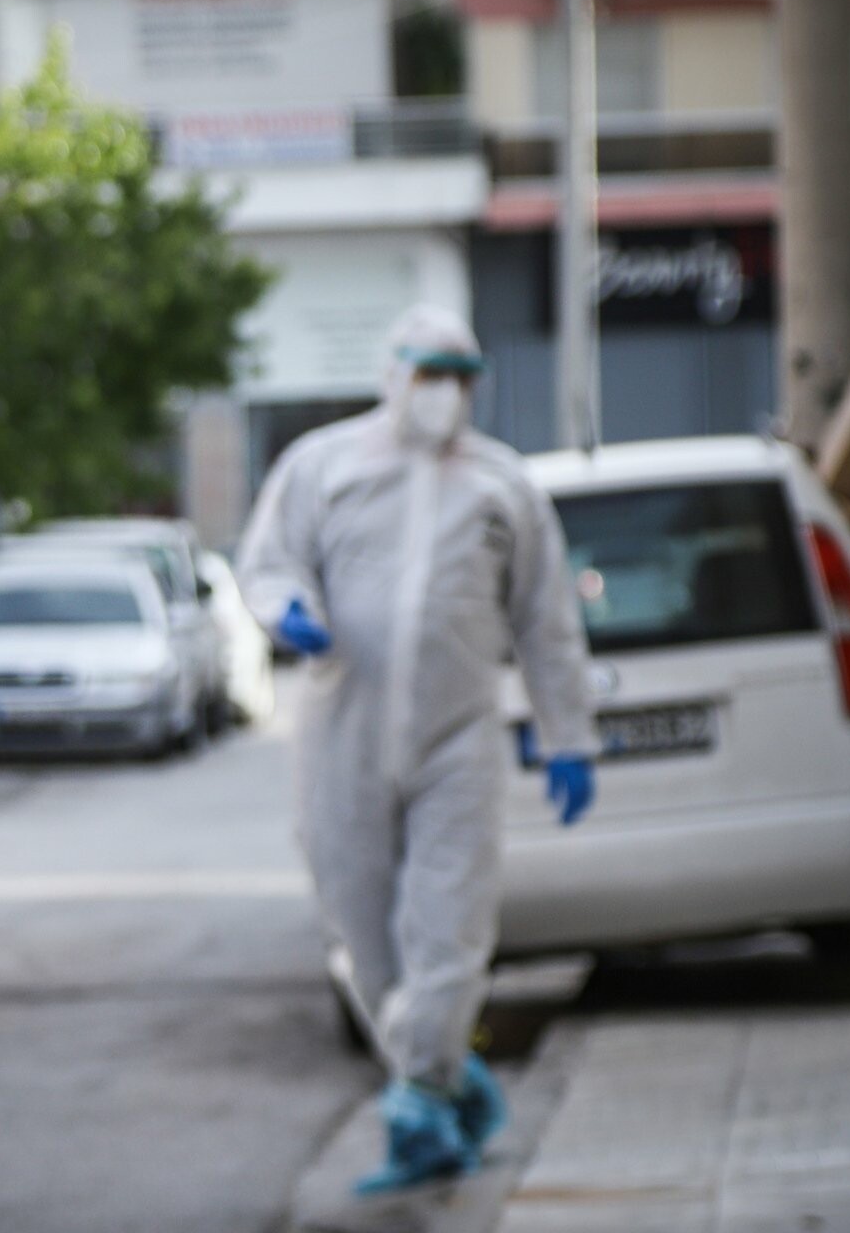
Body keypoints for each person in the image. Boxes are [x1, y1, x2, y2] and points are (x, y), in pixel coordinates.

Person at [235, 305, 597, 1195]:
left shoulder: (502, 484)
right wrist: (286, 611)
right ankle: (444, 1080)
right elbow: (269, 560)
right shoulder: (322, 465)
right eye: (430, 373)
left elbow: (546, 621)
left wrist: (568, 735)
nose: (445, 394)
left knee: (450, 927)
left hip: (458, 737)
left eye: (460, 378)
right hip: (342, 733)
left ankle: (420, 1100)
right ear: (393, 375)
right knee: (360, 936)